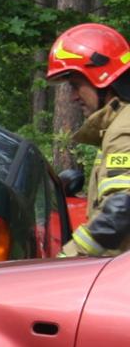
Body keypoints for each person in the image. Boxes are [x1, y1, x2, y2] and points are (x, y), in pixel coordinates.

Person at [46, 23, 130, 257]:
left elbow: (121, 211)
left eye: (75, 86)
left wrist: (69, 259)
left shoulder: (124, 129)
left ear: (100, 78)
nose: (73, 97)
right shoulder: (117, 124)